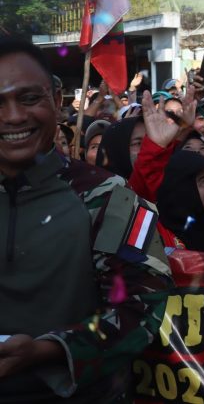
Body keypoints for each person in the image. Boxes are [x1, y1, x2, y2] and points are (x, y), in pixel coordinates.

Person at [0, 36, 172, 402]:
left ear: (57, 102)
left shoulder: (110, 196)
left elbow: (142, 308)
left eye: (29, 98)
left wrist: (52, 350)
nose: (13, 116)